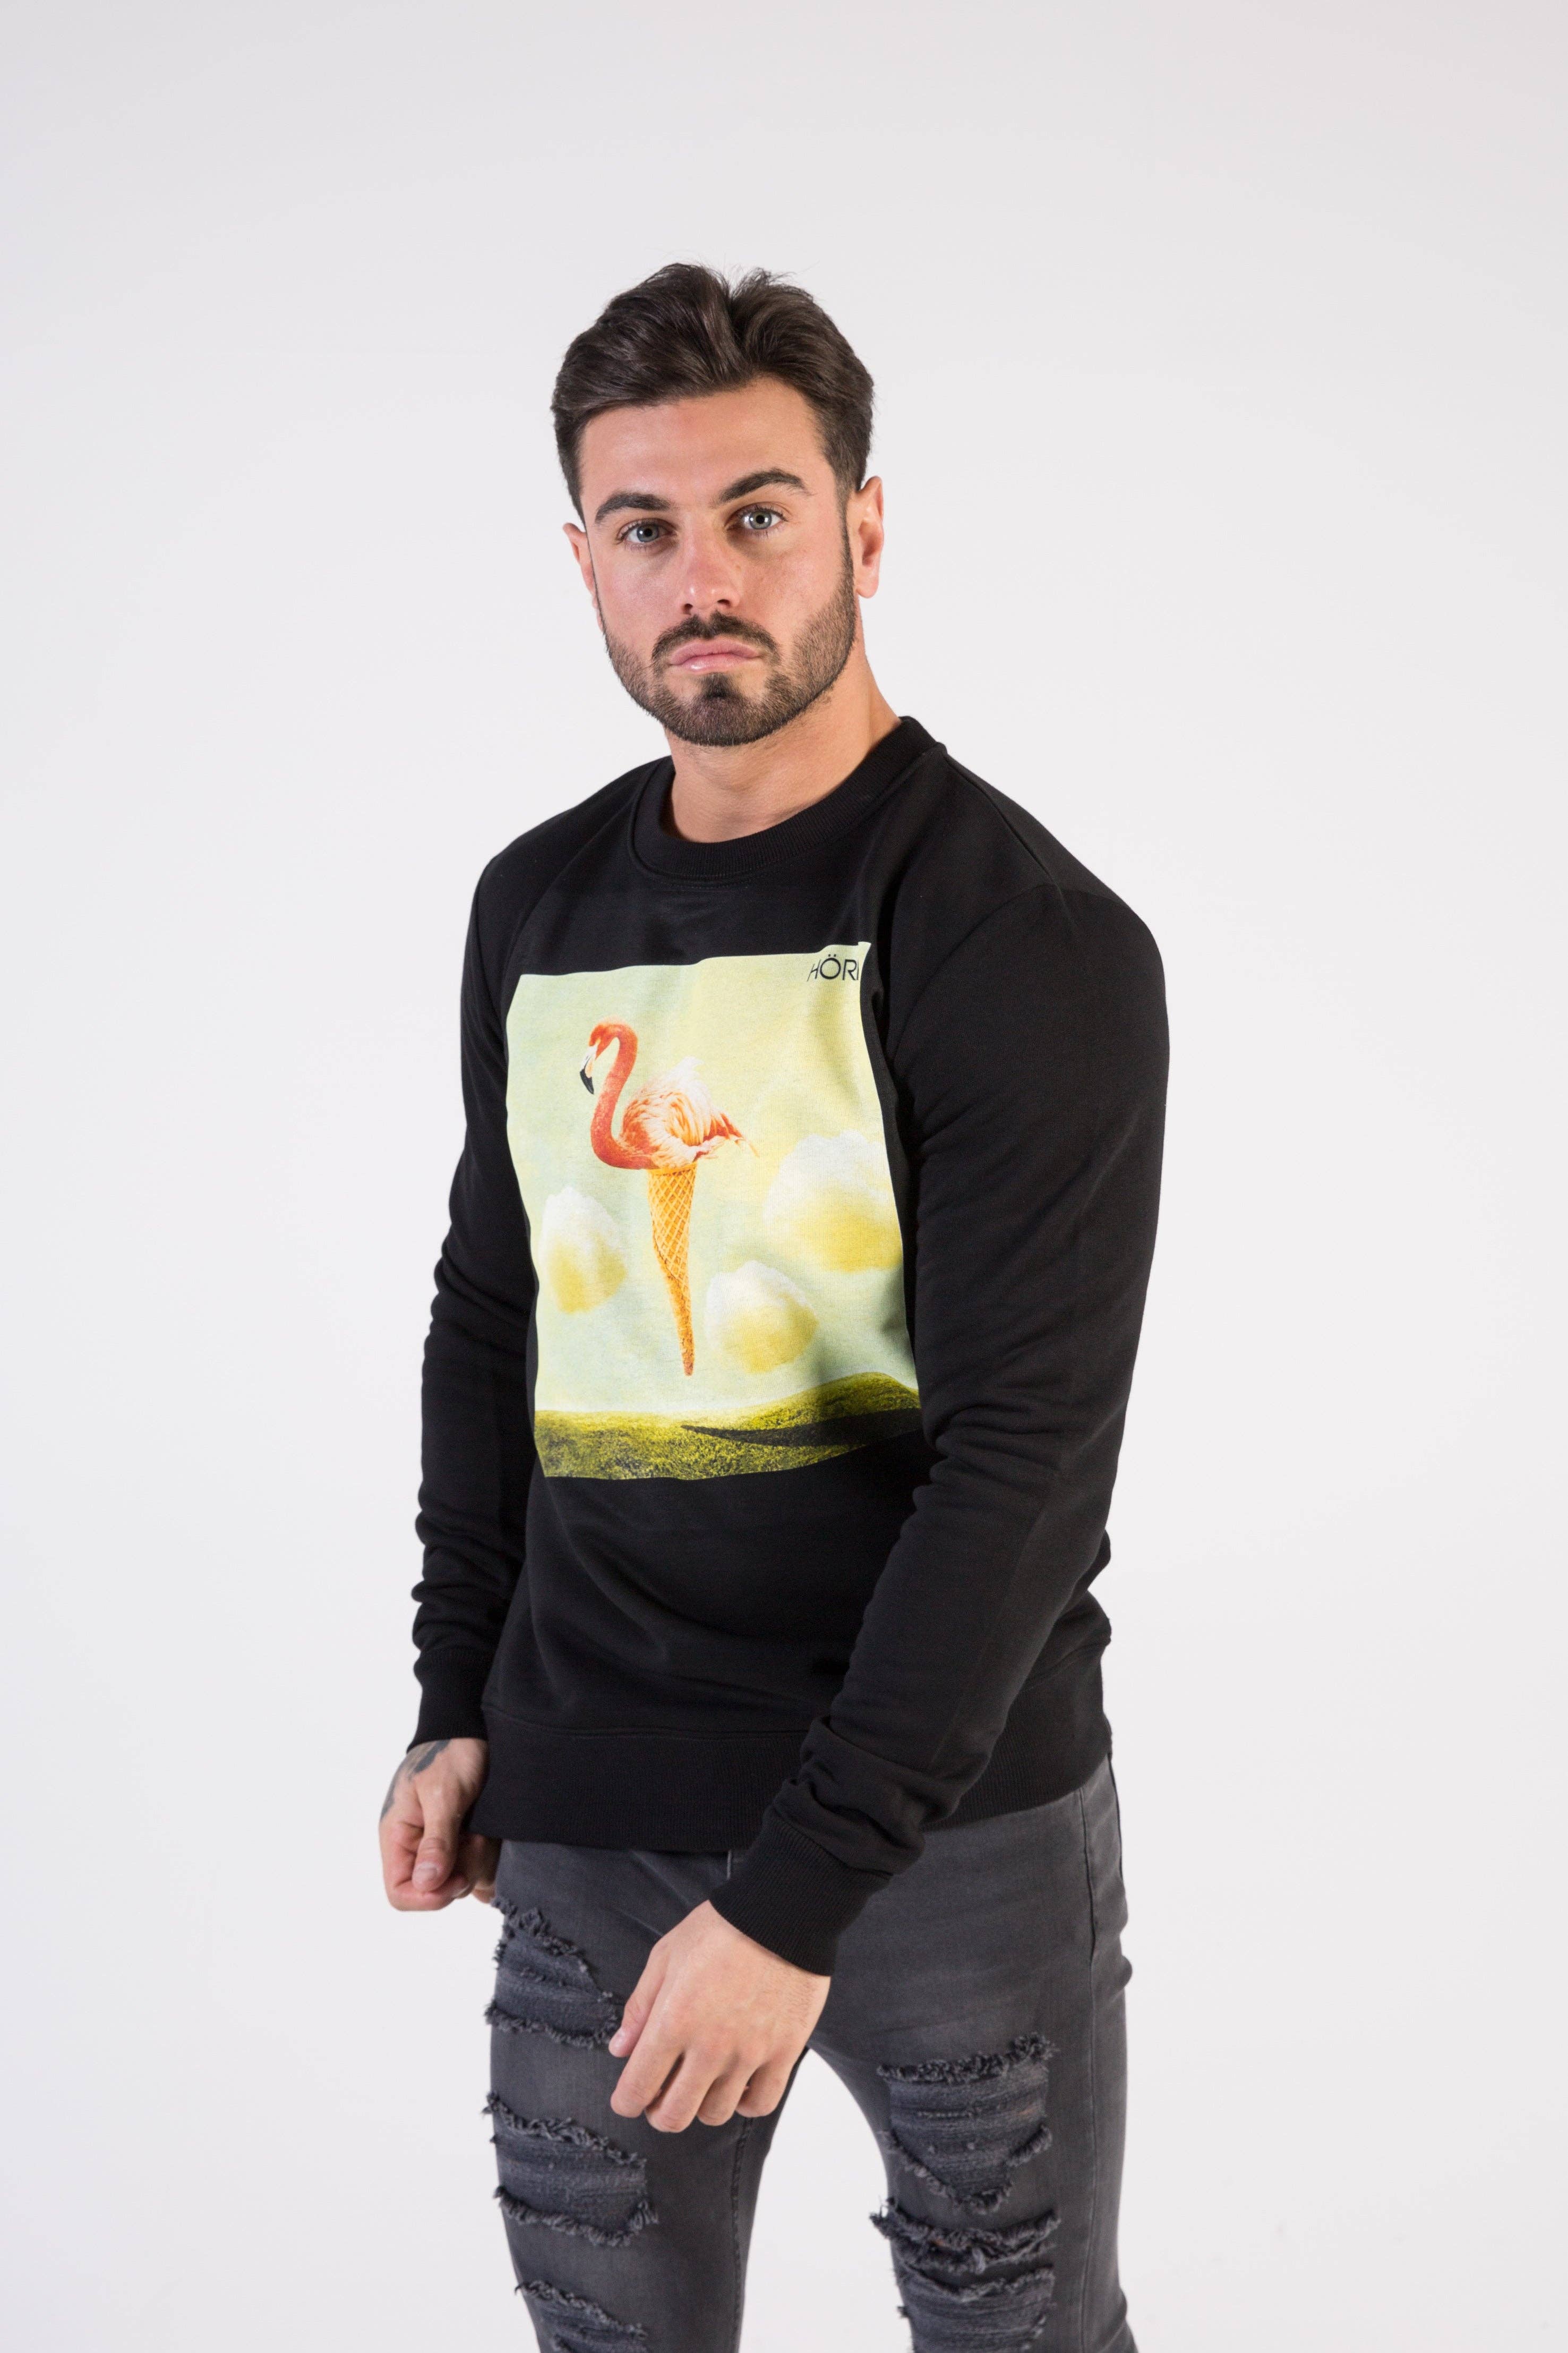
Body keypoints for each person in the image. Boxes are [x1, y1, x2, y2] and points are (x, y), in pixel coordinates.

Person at [378, 263, 1167, 2353]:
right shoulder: (538, 904)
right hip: (596, 1802)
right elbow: (492, 1313)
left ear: (863, 529)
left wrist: (793, 1898)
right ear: (582, 562)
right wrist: (458, 1692)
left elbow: (1023, 1468)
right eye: (644, 528)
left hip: (947, 1831)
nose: (703, 579)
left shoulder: (1021, 936)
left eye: (757, 513)